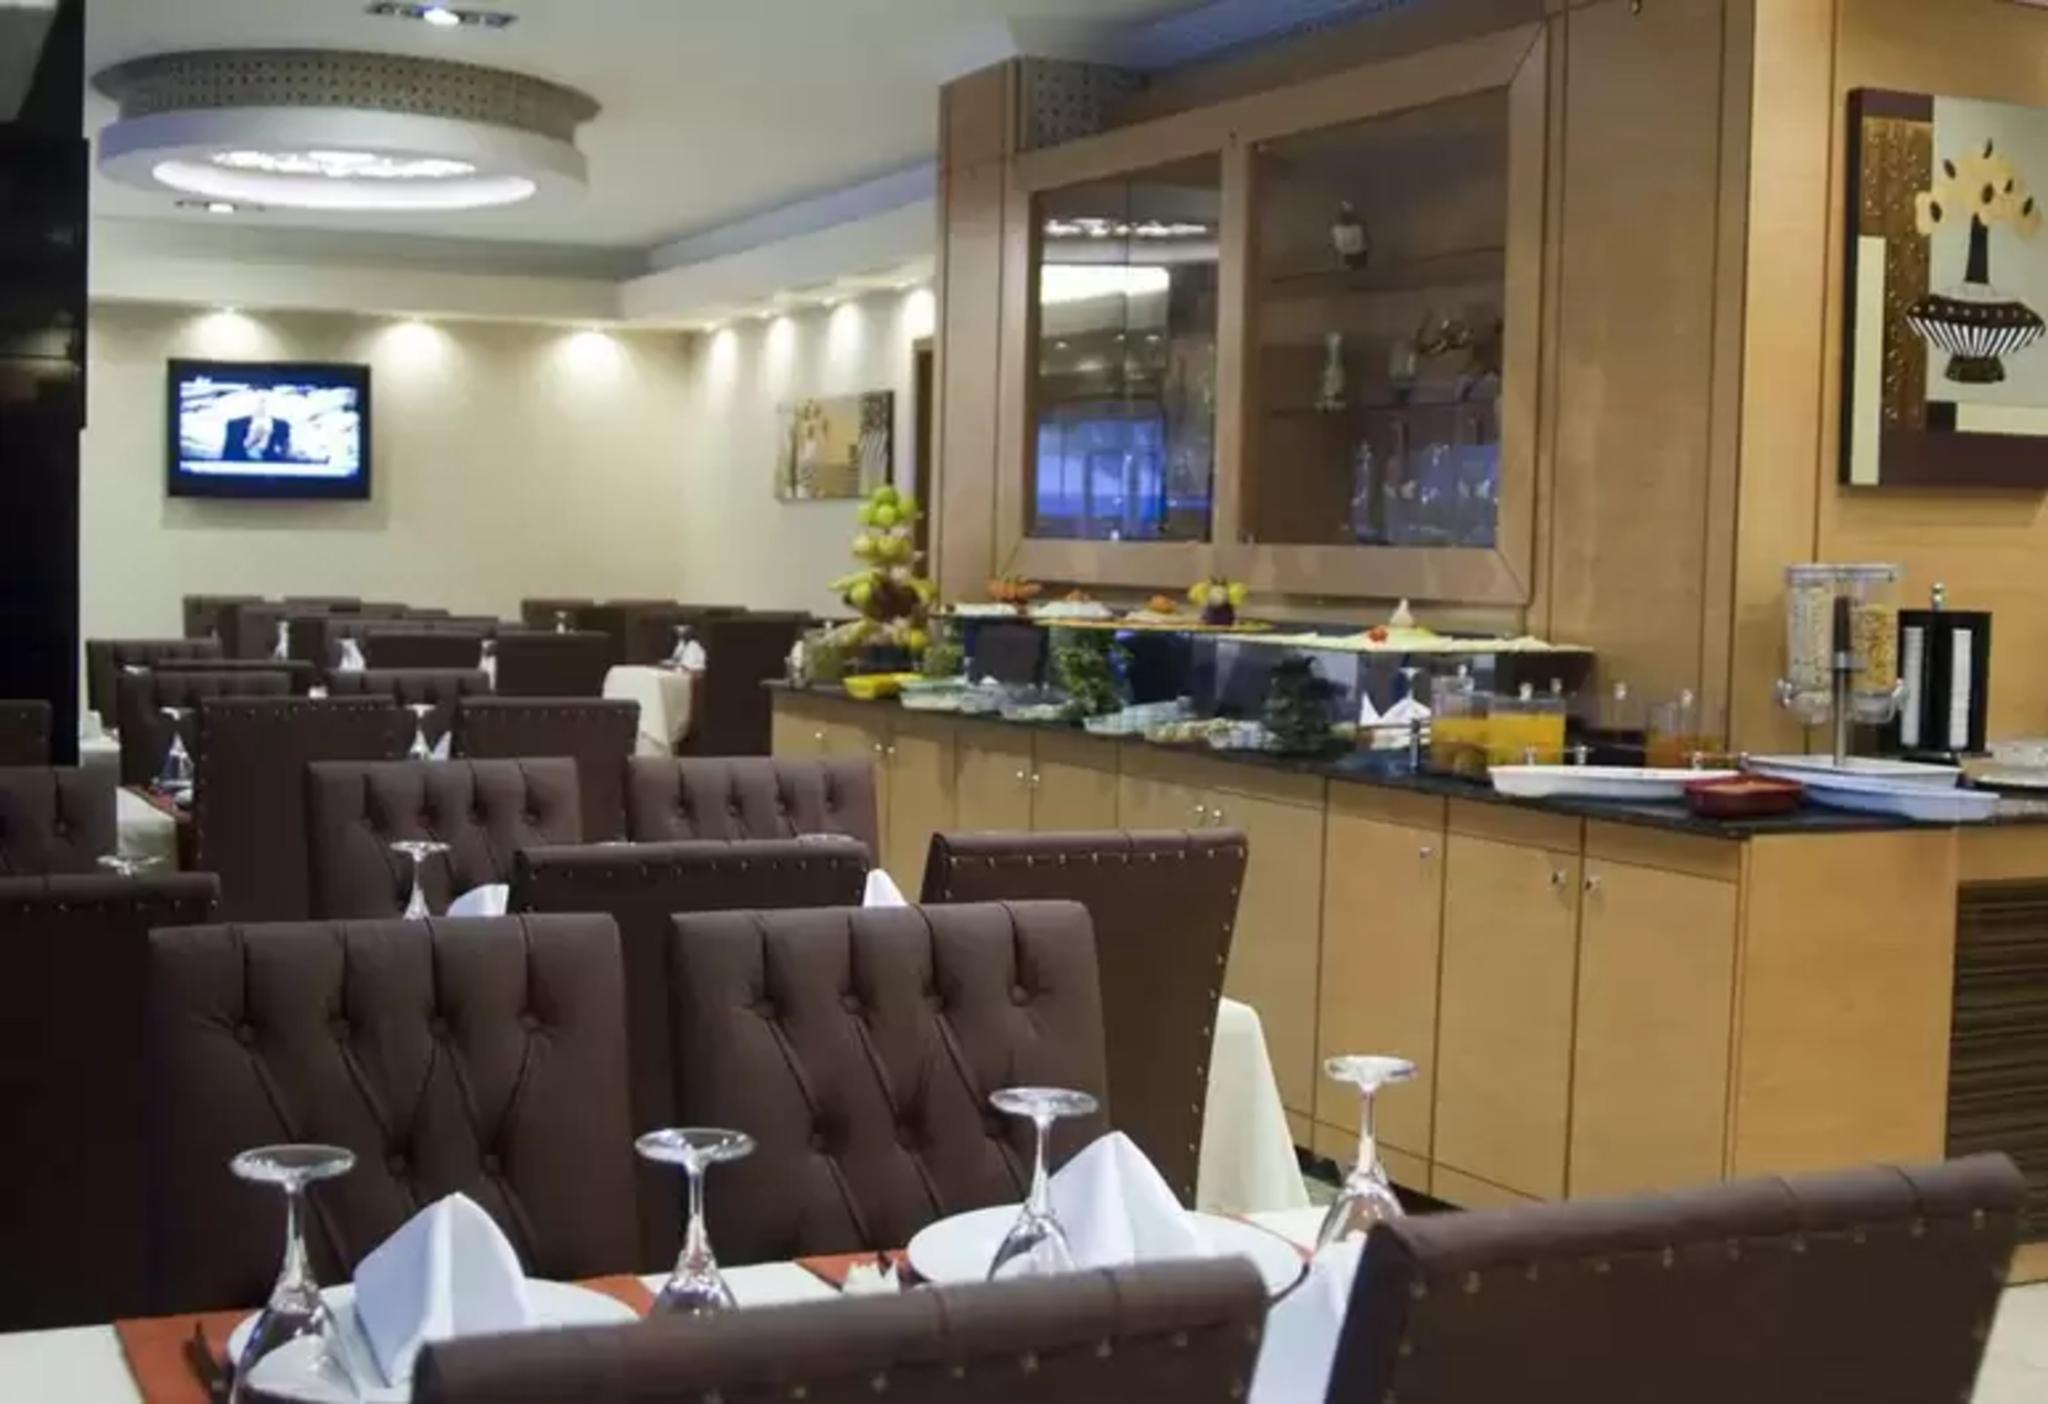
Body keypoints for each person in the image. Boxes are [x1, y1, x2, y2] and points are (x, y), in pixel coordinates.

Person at [221, 392, 295, 462]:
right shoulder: (234, 425)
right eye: (258, 402)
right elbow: (228, 456)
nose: (261, 406)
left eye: (264, 403)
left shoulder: (282, 425)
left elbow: (285, 455)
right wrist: (251, 442)